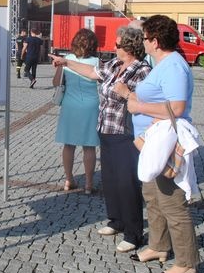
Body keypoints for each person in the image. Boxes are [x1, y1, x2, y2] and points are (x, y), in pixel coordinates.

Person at [50, 26, 151, 253]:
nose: (113, 47)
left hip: (126, 132)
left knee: (127, 183)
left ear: (129, 47)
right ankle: (116, 220)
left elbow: (145, 100)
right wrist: (66, 63)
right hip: (106, 129)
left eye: (117, 44)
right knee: (111, 179)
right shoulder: (114, 65)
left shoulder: (142, 71)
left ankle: (133, 233)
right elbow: (92, 72)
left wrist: (127, 93)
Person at [118, 15, 199, 273]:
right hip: (151, 142)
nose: (143, 42)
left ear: (155, 41)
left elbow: (176, 108)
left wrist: (139, 106)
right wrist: (131, 97)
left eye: (145, 38)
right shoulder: (162, 63)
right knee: (153, 198)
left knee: (173, 202)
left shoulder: (174, 66)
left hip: (166, 144)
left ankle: (186, 262)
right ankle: (158, 245)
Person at [53, 29, 100, 193]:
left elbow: (55, 82)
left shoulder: (66, 60)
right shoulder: (96, 62)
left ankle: (68, 180)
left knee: (69, 144)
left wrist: (60, 68)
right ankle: (88, 184)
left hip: (70, 104)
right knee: (89, 146)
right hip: (91, 105)